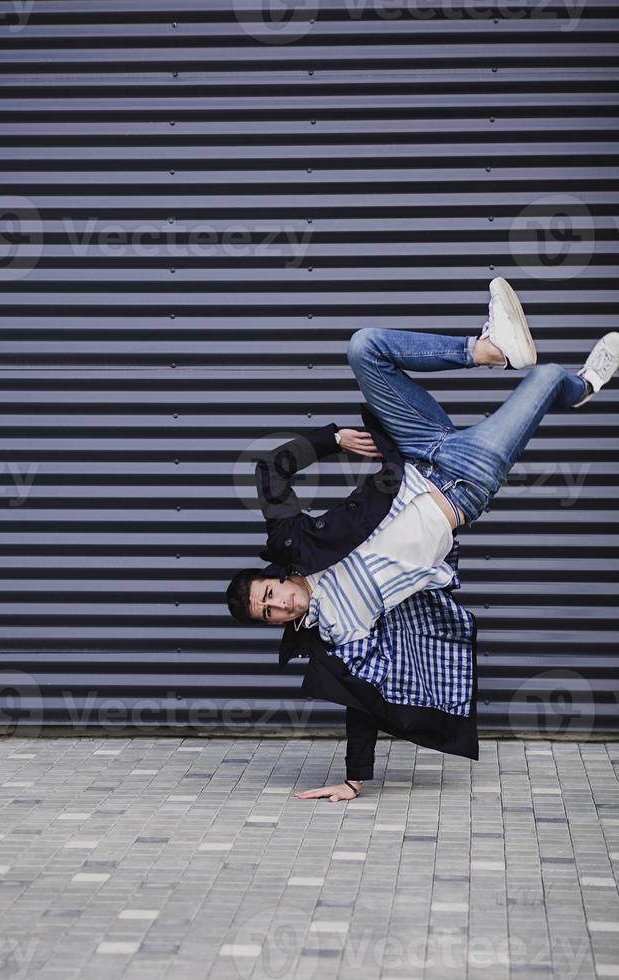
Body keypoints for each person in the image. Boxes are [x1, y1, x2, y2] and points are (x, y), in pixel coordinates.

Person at [226, 278, 619, 803]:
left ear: (272, 578)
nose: (278, 603)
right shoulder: (339, 635)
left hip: (414, 450)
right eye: (268, 613)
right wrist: (353, 778)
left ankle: (490, 350)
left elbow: (269, 473)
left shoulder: (293, 542)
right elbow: (360, 703)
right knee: (548, 376)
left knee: (364, 345)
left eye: (268, 593)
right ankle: (584, 388)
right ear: (273, 622)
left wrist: (332, 439)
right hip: (463, 484)